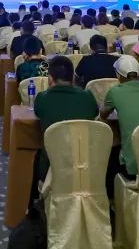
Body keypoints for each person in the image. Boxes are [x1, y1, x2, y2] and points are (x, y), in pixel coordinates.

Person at [32, 55, 99, 184]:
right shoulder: (88, 97)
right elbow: (95, 115)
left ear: (50, 79)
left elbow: (38, 114)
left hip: (52, 169)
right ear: (73, 78)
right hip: (84, 166)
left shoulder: (42, 99)